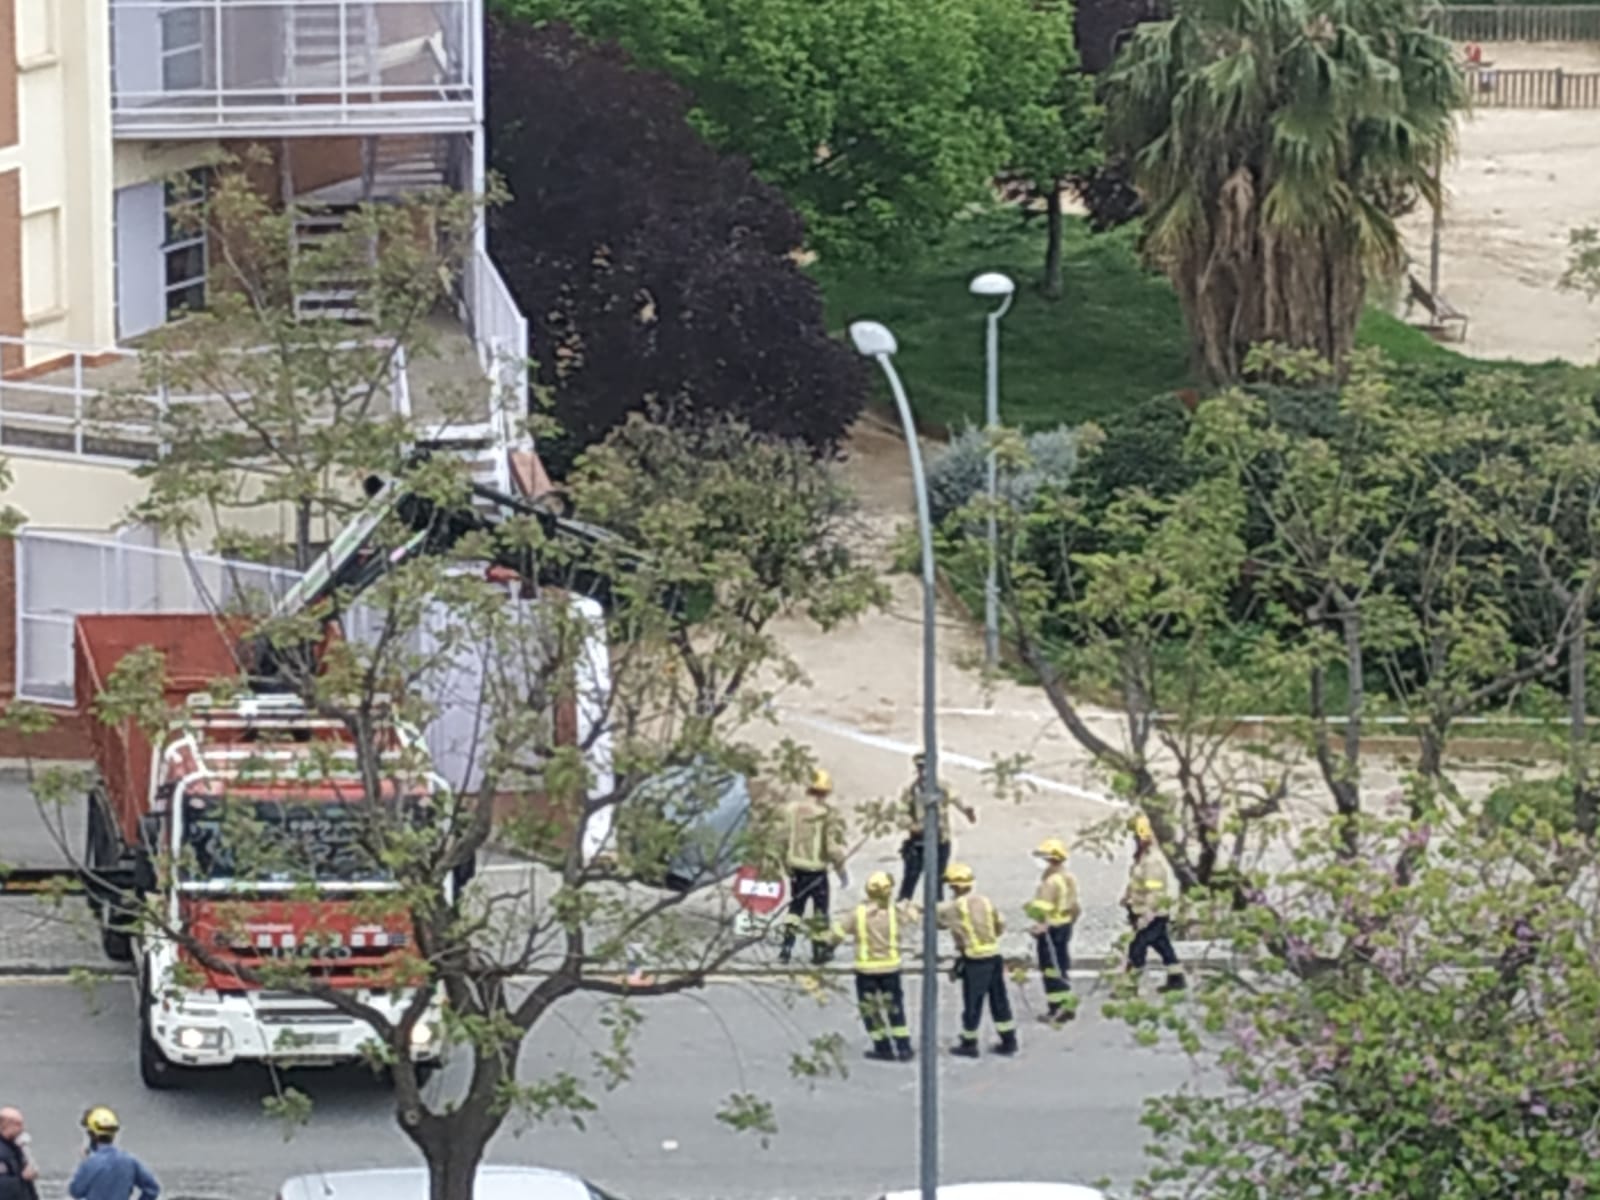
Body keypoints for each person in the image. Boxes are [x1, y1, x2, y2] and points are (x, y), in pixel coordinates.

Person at [833, 871, 916, 1063]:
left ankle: (882, 1047)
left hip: (866, 971)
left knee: (870, 1011)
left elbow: (837, 934)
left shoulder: (858, 914)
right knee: (895, 1008)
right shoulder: (895, 912)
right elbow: (913, 918)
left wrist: (824, 943)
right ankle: (903, 1047)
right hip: (891, 969)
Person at [937, 862, 1018, 1058]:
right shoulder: (985, 901)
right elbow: (1000, 925)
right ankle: (1009, 1040)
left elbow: (939, 922)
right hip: (994, 956)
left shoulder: (954, 907)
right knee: (999, 1000)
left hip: (974, 960)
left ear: (954, 887)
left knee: (973, 1003)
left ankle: (968, 1043)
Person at [778, 768, 849, 966]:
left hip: (796, 871)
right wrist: (841, 870)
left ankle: (786, 947)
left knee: (794, 910)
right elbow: (831, 847)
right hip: (816, 871)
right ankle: (818, 951)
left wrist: (786, 865)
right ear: (825, 792)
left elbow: (781, 839)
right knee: (820, 914)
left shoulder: (791, 810)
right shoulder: (824, 815)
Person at [897, 752, 976, 903]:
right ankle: (903, 904)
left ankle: (936, 907)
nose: (924, 771)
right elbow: (901, 813)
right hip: (919, 840)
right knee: (911, 875)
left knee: (938, 876)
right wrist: (912, 826)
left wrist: (967, 810)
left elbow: (956, 797)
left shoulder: (943, 786)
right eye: (921, 767)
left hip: (941, 838)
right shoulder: (911, 790)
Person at [1123, 814, 1185, 993]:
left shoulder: (1152, 862)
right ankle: (1176, 978)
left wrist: (1147, 915)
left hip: (1153, 914)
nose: (1134, 839)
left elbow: (1155, 892)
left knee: (1137, 947)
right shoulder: (1143, 858)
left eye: (1136, 836)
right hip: (1145, 911)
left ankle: (1130, 985)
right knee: (1163, 946)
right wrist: (1128, 896)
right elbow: (1138, 881)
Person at [1024, 837, 1081, 1026]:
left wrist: (1039, 927)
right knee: (1061, 966)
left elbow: (1043, 909)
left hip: (1050, 931)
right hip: (1065, 926)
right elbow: (1075, 906)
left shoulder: (1050, 882)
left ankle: (1056, 1009)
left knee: (1051, 970)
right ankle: (1066, 1005)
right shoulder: (1068, 877)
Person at [69, 1108, 160, 1200]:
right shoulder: (130, 1161)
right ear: (114, 1134)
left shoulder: (90, 1163)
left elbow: (76, 1191)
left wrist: (83, 1163)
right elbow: (152, 1189)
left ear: (91, 1134)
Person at [0, 1107, 38, 1200]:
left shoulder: (17, 1148)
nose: (22, 1128)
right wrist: (22, 1178)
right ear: (5, 1125)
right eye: (18, 1124)